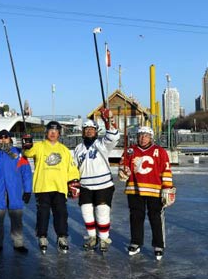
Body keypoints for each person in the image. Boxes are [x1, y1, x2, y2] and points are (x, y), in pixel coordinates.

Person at [22, 121, 80, 254]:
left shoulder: (64, 150)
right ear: (46, 132)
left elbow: (71, 168)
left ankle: (61, 237)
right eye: (50, 130)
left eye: (56, 131)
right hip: (42, 186)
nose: (53, 133)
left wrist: (74, 182)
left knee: (61, 213)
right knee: (43, 213)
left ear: (59, 133)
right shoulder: (39, 146)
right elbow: (28, 153)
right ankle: (42, 237)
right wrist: (27, 143)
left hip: (59, 187)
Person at [119, 126, 175, 260]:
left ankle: (158, 245)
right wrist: (123, 172)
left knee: (155, 217)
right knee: (136, 217)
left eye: (146, 135)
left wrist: (167, 187)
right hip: (134, 189)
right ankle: (136, 242)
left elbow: (166, 171)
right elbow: (123, 166)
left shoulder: (160, 151)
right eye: (140, 135)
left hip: (155, 190)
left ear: (151, 137)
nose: (143, 138)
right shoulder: (130, 150)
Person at [73, 109, 120, 253]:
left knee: (102, 212)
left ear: (96, 131)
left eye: (92, 129)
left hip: (103, 185)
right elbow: (74, 167)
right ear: (82, 131)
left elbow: (113, 137)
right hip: (85, 185)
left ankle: (104, 239)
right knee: (86, 212)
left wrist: (108, 121)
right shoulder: (78, 148)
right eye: (86, 129)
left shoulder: (102, 144)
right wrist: (73, 183)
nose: (89, 132)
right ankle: (92, 237)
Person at [0, 129, 32, 255]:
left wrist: (27, 190)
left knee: (16, 219)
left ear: (10, 139)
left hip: (14, 191)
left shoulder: (19, 153)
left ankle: (18, 243)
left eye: (6, 137)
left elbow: (26, 173)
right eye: (1, 137)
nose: (3, 139)